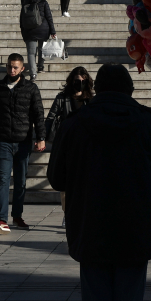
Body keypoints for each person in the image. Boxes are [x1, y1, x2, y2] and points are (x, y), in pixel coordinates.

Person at [46, 63, 151, 301]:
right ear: (130, 89)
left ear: (97, 89)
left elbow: (56, 178)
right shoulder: (148, 123)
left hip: (90, 225)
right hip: (135, 228)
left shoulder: (74, 124)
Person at [0, 53, 46, 235]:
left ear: (22, 69)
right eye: (10, 67)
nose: (12, 70)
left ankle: (17, 215)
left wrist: (41, 137)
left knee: (20, 182)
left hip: (23, 142)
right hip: (3, 140)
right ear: (6, 67)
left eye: (16, 67)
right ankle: (1, 219)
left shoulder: (31, 88)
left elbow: (38, 114)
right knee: (3, 180)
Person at [45, 66, 93, 225]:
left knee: (84, 181)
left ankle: (83, 211)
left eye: (82, 81)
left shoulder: (90, 99)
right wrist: (42, 137)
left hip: (85, 145)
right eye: (76, 81)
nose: (79, 84)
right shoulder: (62, 97)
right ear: (71, 81)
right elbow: (51, 117)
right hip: (67, 144)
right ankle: (68, 213)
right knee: (66, 182)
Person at [19, 0, 56, 82]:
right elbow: (49, 17)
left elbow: (21, 19)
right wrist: (53, 31)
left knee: (31, 53)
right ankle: (40, 67)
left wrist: (23, 32)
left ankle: (33, 74)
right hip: (43, 29)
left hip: (29, 30)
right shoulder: (43, 2)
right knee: (41, 50)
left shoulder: (25, 2)